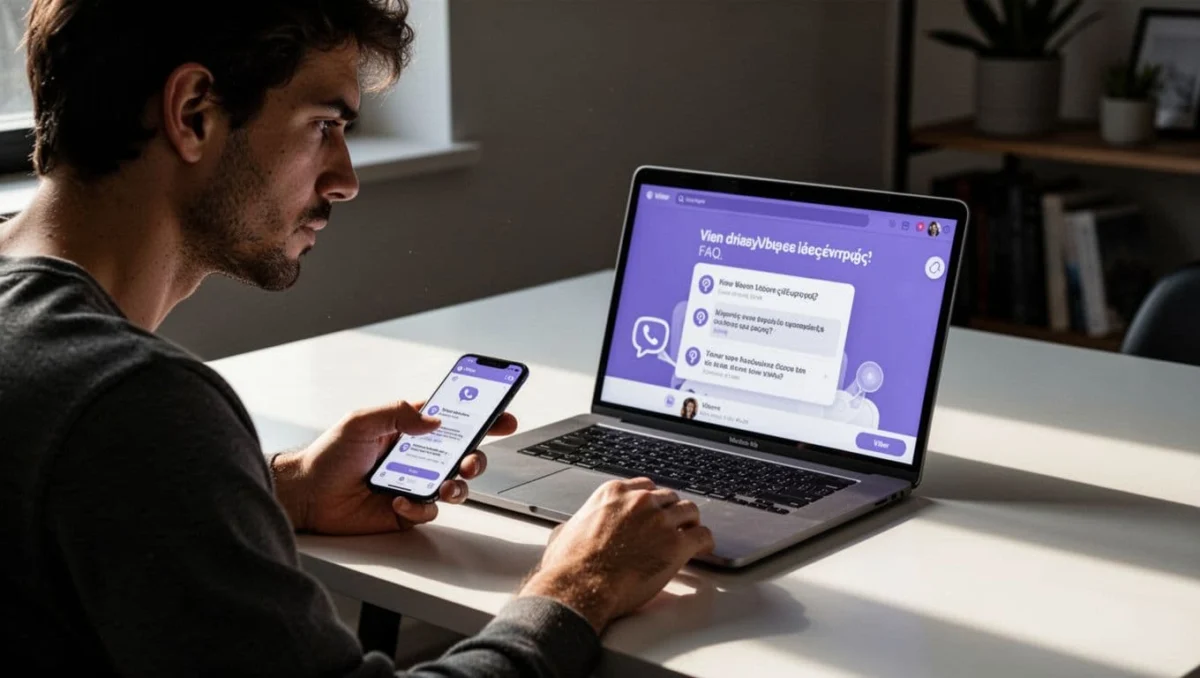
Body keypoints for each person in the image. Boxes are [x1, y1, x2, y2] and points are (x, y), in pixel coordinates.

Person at [0, 2, 714, 677]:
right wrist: (577, 585)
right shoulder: (131, 402)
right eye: (324, 125)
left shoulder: (58, 372)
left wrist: (284, 488)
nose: (344, 181)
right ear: (194, 114)